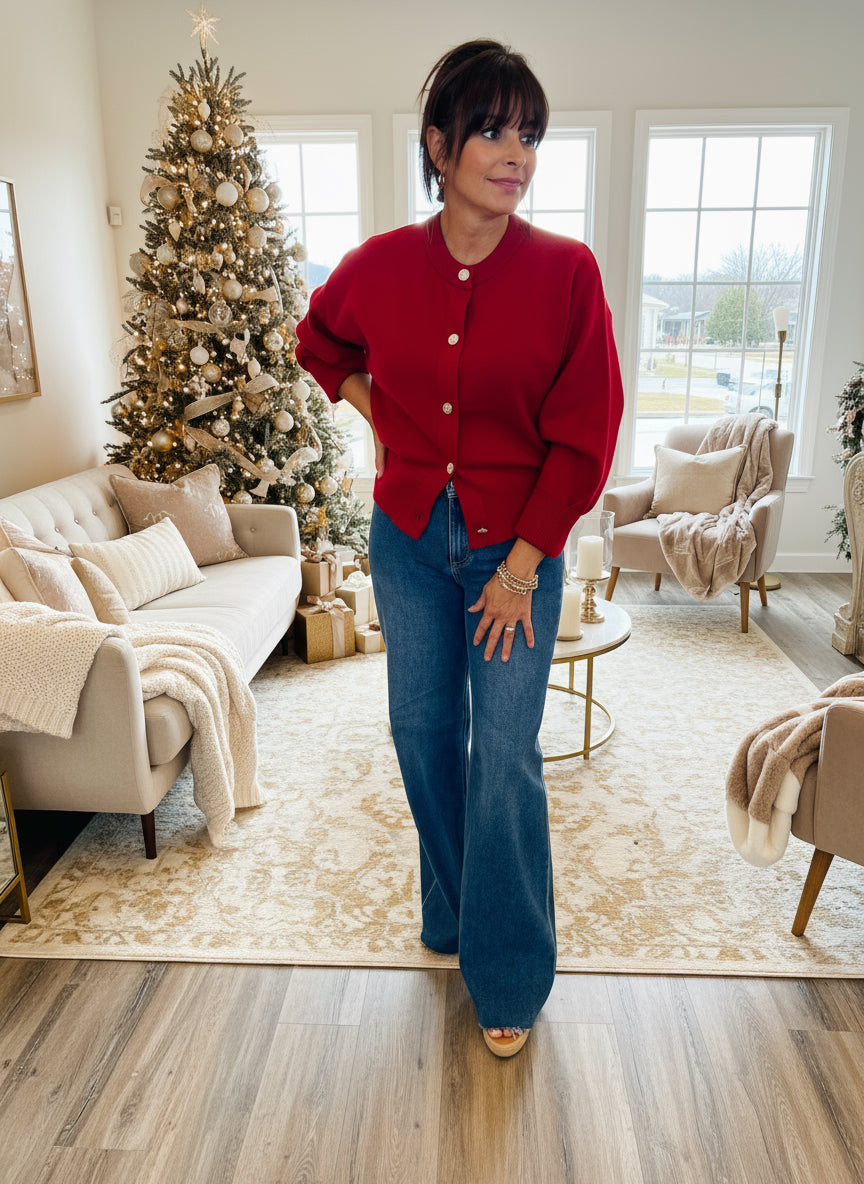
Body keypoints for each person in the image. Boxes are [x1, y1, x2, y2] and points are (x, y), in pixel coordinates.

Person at [296, 39, 623, 1058]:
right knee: (421, 734)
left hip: (513, 549)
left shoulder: (566, 273)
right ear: (438, 145)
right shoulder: (382, 266)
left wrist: (524, 568)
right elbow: (319, 338)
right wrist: (376, 412)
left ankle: (508, 967)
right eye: (490, 130)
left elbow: (587, 433)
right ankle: (449, 910)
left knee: (504, 761)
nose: (514, 152)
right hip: (404, 537)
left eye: (528, 133)